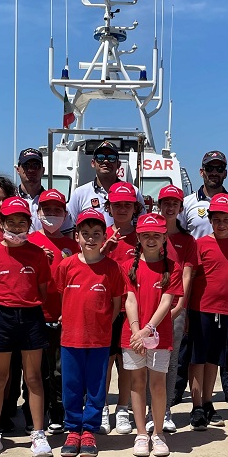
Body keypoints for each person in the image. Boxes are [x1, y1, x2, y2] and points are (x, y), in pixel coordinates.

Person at [0, 196, 53, 457]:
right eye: (11, 222)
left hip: (31, 317)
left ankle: (38, 434)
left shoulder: (38, 254)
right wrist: (3, 310)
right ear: (2, 223)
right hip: (1, 317)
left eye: (22, 222)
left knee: (33, 378)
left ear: (29, 224)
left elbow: (42, 289)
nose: (17, 227)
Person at [55, 209, 126, 457]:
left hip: (99, 339)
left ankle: (89, 431)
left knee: (96, 387)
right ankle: (73, 430)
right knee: (72, 386)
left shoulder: (112, 268)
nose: (91, 239)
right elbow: (62, 297)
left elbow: (116, 304)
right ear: (77, 237)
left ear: (104, 236)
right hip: (70, 339)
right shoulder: (66, 266)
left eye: (96, 234)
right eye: (85, 234)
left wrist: (103, 323)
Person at [177, 150, 228, 408]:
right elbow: (180, 232)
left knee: (224, 352)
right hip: (199, 290)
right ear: (201, 171)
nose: (214, 173)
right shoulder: (190, 202)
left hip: (225, 297)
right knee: (192, 353)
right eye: (209, 168)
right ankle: (185, 395)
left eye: (219, 168)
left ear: (225, 172)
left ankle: (227, 392)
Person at [122, 213, 183, 457]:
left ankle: (157, 433)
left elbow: (167, 302)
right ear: (138, 237)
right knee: (137, 384)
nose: (150, 240)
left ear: (164, 238)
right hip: (134, 335)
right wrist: (136, 330)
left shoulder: (173, 268)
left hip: (159, 335)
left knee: (157, 385)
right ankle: (140, 434)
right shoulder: (129, 267)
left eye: (156, 235)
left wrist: (148, 329)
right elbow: (130, 298)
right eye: (145, 235)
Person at [186, 193, 228, 430]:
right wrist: (186, 311)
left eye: (226, 219)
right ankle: (196, 405)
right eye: (216, 219)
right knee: (197, 358)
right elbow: (190, 278)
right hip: (201, 309)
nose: (221, 224)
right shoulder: (200, 245)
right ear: (209, 220)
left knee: (213, 360)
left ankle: (208, 402)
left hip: (225, 311)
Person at [27, 189, 78, 435]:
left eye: (57, 211)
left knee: (60, 370)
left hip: (63, 316)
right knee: (35, 371)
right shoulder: (28, 242)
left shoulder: (72, 245)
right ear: (38, 213)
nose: (52, 215)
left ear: (65, 214)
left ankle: (59, 412)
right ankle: (33, 412)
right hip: (35, 315)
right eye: (47, 210)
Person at [146, 184, 196, 434]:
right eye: (165, 202)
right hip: (147, 306)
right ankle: (147, 410)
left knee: (170, 361)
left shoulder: (187, 240)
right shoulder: (147, 233)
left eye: (174, 203)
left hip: (174, 308)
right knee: (144, 362)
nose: (169, 207)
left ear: (180, 207)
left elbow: (187, 276)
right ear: (159, 204)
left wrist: (179, 308)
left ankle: (164, 411)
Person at [99, 181, 143, 435]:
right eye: (117, 205)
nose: (122, 209)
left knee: (128, 362)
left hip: (132, 310)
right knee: (106, 361)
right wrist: (105, 249)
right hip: (105, 309)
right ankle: (103, 407)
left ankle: (123, 408)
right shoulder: (100, 234)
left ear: (135, 208)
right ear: (110, 207)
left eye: (127, 205)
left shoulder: (142, 236)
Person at [67, 141, 145, 227]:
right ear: (93, 163)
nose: (106, 161)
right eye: (100, 157)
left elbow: (141, 225)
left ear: (118, 164)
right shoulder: (79, 194)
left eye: (111, 158)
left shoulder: (134, 191)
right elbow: (71, 226)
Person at [15, 148, 75, 233]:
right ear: (18, 170)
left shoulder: (56, 203)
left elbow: (67, 237)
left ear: (43, 170)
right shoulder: (9, 200)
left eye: (36, 166)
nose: (31, 170)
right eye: (26, 165)